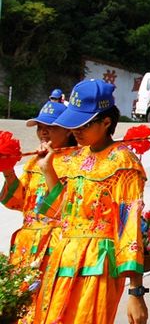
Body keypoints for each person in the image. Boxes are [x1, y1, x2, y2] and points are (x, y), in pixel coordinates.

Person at [34, 79, 148, 324]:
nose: (75, 130)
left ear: (106, 122)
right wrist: (48, 170)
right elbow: (62, 211)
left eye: (83, 124)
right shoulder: (77, 157)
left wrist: (135, 292)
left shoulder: (123, 163)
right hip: (64, 257)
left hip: (98, 263)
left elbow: (129, 229)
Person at [0, 101, 76, 323]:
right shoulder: (34, 161)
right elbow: (19, 202)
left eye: (50, 127)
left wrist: (48, 169)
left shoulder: (77, 163)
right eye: (39, 126)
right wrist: (8, 173)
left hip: (55, 246)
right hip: (28, 244)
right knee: (21, 305)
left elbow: (65, 209)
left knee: (50, 305)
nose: (43, 131)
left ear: (68, 129)